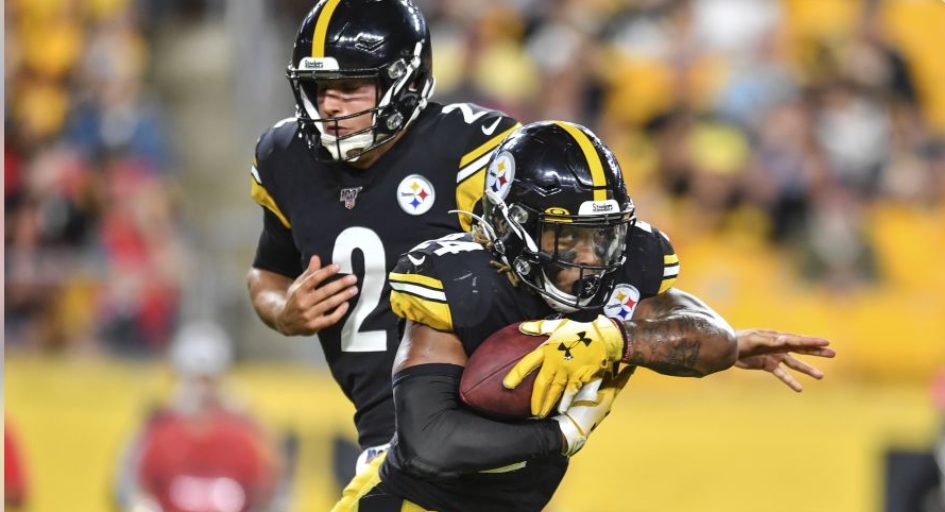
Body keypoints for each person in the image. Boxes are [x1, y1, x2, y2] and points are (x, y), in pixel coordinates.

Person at [335, 121, 836, 511]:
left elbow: (716, 341)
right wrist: (560, 435)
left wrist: (619, 339)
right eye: (568, 236)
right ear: (514, 228)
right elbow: (430, 445)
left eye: (602, 235)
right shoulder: (462, 281)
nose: (593, 257)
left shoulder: (626, 262)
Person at [244, 0, 521, 469]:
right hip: (382, 443)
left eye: (350, 87)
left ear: (404, 81)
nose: (328, 103)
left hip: (481, 430)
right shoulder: (286, 156)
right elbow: (267, 272)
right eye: (319, 87)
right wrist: (283, 312)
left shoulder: (474, 149)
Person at [117, 322, 283, 512]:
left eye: (207, 380)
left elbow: (274, 489)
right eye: (193, 380)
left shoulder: (246, 431)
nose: (201, 391)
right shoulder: (158, 428)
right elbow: (128, 489)